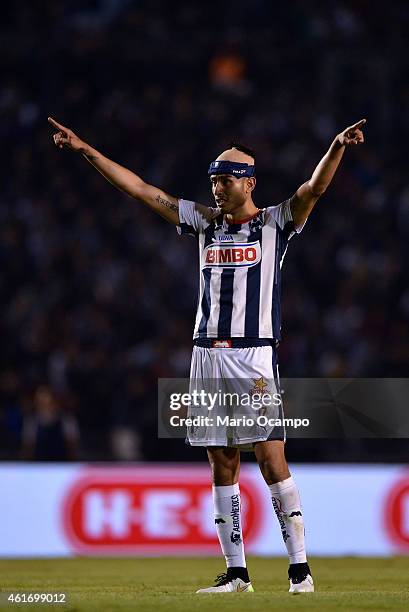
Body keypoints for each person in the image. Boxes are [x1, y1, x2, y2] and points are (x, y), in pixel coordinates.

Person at [48, 115, 366, 593]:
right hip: (206, 357)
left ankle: (300, 570)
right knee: (221, 461)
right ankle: (237, 574)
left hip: (254, 357)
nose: (216, 187)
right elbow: (138, 188)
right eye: (213, 179)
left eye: (226, 179)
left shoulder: (276, 222)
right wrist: (84, 149)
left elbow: (313, 189)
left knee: (271, 457)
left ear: (249, 182)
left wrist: (337, 147)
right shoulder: (201, 222)